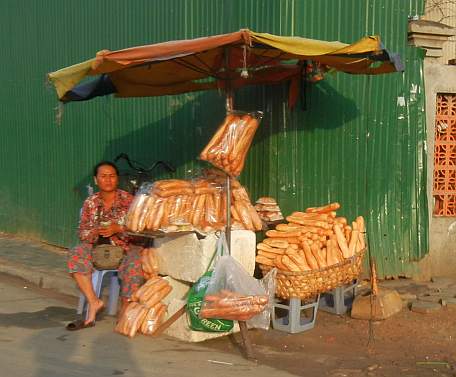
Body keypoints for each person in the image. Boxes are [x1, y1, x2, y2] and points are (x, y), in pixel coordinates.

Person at [66, 161, 144, 330]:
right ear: (96, 180)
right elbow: (82, 233)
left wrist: (119, 229)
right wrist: (96, 230)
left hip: (125, 247)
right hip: (97, 248)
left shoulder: (130, 201)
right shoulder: (90, 203)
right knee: (75, 254)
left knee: (135, 262)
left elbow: (140, 234)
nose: (108, 180)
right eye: (103, 176)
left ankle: (124, 309)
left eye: (112, 176)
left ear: (117, 179)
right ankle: (94, 302)